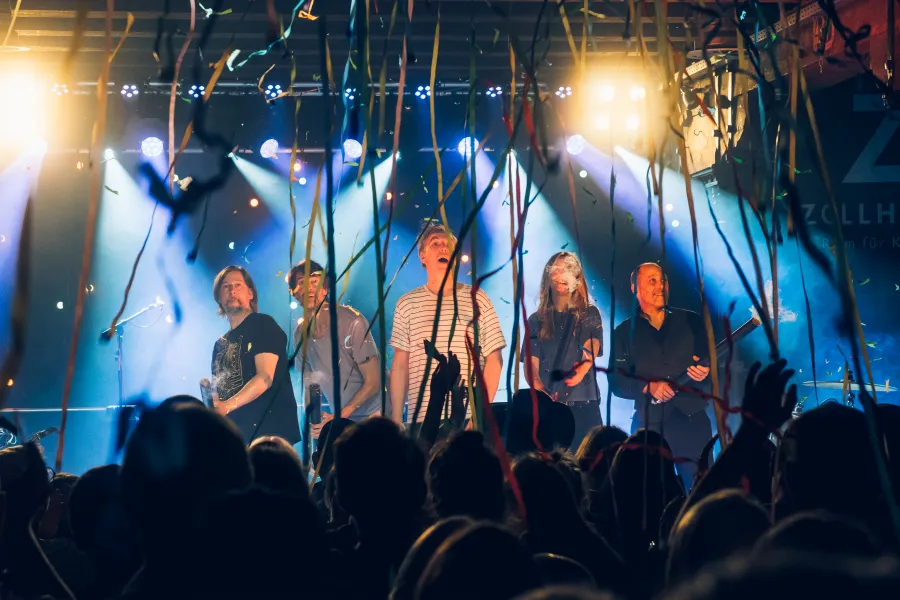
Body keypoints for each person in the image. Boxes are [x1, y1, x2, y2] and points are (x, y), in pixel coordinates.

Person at [390, 223, 506, 429]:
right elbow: (400, 364)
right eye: (436, 243)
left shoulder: (477, 298)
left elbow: (494, 360)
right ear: (422, 256)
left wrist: (479, 415)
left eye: (449, 244)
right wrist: (397, 418)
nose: (444, 248)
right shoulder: (406, 303)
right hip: (421, 419)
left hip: (467, 418)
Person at [609, 262, 711, 488]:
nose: (660, 286)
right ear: (635, 289)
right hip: (649, 425)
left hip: (692, 421)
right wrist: (648, 387)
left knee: (700, 489)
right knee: (647, 491)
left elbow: (714, 363)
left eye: (663, 280)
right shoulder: (624, 332)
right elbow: (616, 382)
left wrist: (707, 371)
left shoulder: (692, 321)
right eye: (652, 281)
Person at [203, 265, 300, 445]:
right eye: (226, 286)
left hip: (268, 434)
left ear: (251, 293)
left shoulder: (262, 324)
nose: (232, 290)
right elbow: (218, 391)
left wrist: (227, 406)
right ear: (218, 298)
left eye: (238, 285)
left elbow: (265, 377)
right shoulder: (219, 344)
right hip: (236, 437)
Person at [289, 259, 383, 440]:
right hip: (341, 420)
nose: (308, 288)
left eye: (314, 282)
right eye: (302, 283)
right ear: (295, 293)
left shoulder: (352, 321)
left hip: (375, 416)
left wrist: (338, 416)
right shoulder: (300, 334)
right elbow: (310, 385)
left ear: (325, 288)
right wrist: (313, 421)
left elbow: (373, 381)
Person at [524, 251, 603, 451]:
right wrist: (542, 392)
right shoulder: (536, 320)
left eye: (568, 269)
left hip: (585, 405)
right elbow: (530, 365)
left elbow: (593, 343)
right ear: (548, 277)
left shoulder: (588, 312)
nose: (562, 275)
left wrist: (584, 366)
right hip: (550, 407)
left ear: (577, 277)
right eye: (557, 269)